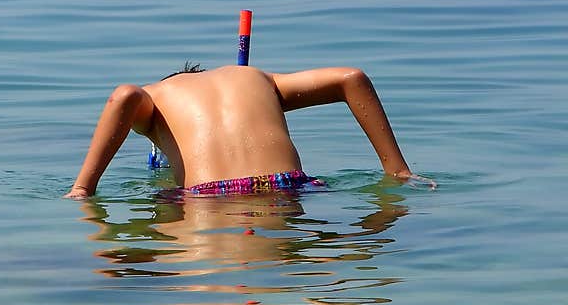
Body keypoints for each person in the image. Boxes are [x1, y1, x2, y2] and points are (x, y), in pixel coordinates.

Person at [64, 63, 435, 198]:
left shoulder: (158, 97)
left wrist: (84, 187)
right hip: (290, 186)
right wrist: (397, 170)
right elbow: (350, 79)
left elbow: (124, 96)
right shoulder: (256, 77)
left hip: (207, 197)